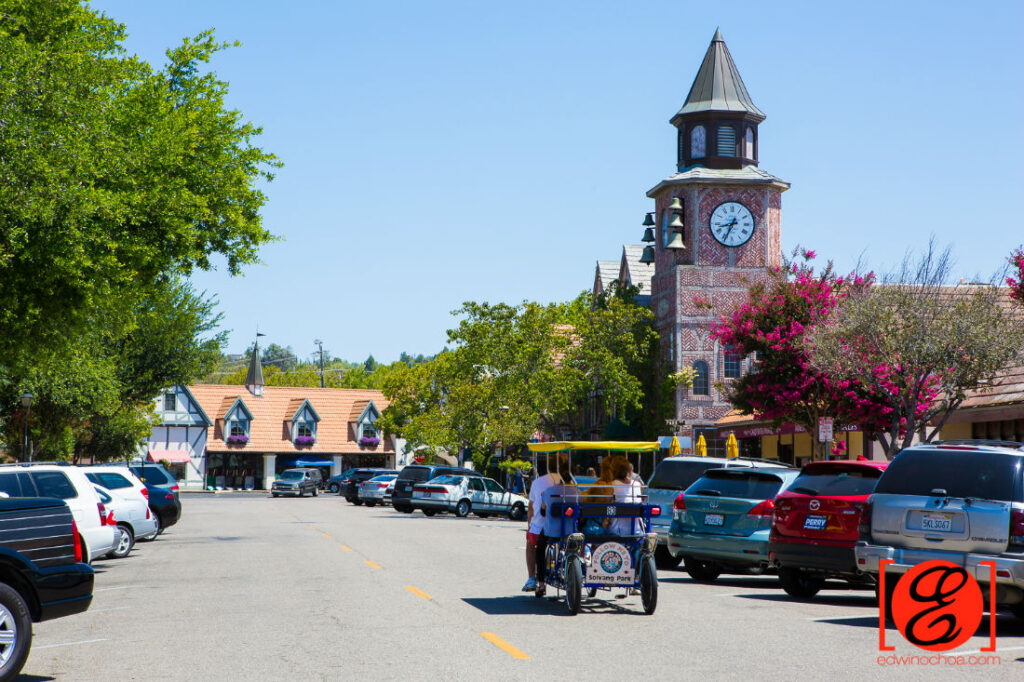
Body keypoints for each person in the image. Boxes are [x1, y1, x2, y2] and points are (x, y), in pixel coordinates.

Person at [522, 457, 562, 593]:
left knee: (531, 545)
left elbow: (531, 508)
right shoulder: (566, 481)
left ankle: (532, 578)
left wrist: (529, 525)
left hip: (541, 526)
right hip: (563, 525)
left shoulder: (537, 483)